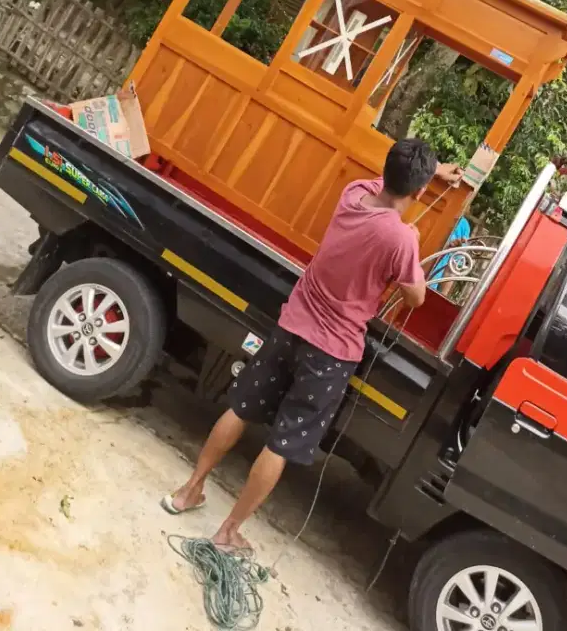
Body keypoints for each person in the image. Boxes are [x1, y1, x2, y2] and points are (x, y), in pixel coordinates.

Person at [161, 138, 462, 553]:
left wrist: (432, 171)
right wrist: (410, 236)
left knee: (241, 408)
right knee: (280, 445)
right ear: (421, 192)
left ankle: (189, 491)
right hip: (331, 353)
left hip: (290, 326)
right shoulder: (401, 238)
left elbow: (387, 184)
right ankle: (227, 532)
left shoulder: (354, 193)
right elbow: (416, 297)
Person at [428, 215, 471, 297]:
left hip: (430, 285)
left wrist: (442, 296)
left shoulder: (463, 225)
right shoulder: (440, 212)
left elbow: (453, 268)